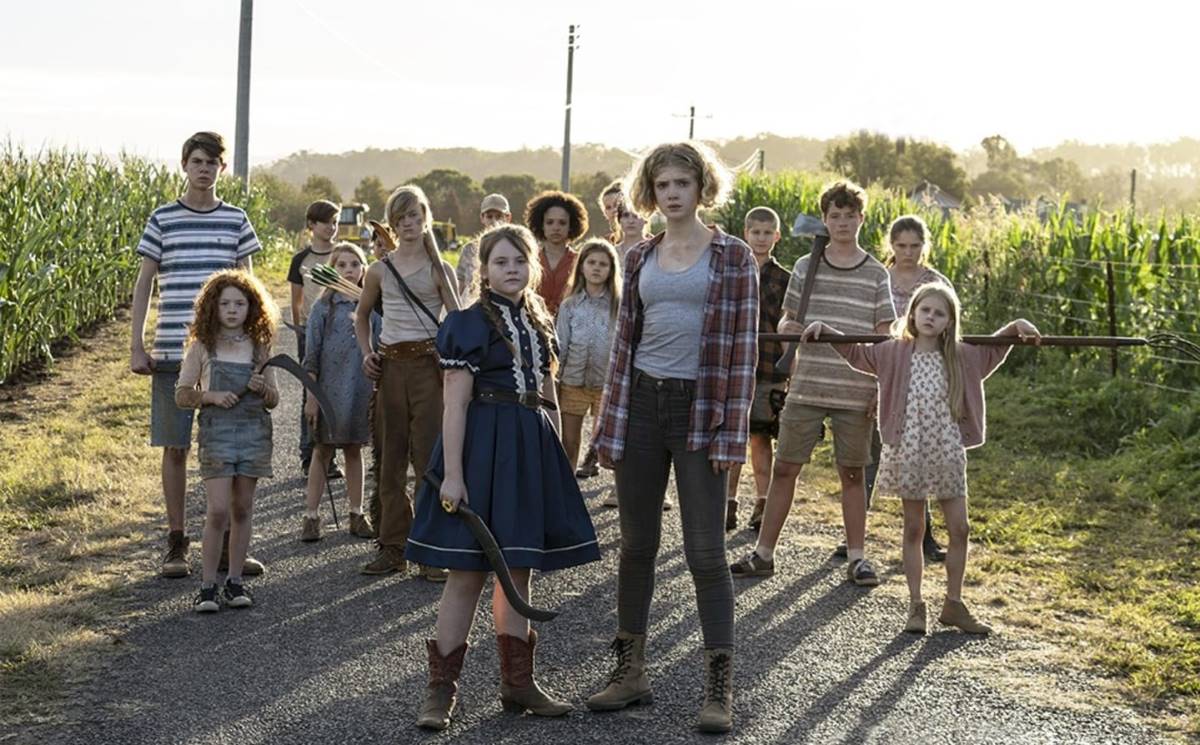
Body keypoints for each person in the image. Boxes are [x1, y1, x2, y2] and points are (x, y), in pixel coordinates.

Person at [589, 142, 757, 734]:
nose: (673, 194)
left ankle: (719, 688)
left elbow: (743, 354)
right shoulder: (638, 257)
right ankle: (630, 672)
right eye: (663, 185)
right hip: (640, 403)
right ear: (650, 192)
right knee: (636, 546)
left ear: (702, 187)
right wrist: (610, 423)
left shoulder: (734, 257)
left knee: (705, 552)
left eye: (683, 183)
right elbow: (623, 346)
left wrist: (730, 434)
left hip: (701, 408)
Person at [407, 224, 600, 731]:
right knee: (467, 572)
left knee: (518, 568)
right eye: (501, 262)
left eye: (519, 261)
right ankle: (440, 691)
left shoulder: (538, 318)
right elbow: (454, 404)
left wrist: (557, 457)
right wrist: (453, 475)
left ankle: (518, 684)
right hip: (481, 448)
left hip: (529, 447)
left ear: (531, 266)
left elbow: (547, 394)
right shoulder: (466, 324)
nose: (511, 269)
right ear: (484, 270)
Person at [803, 283, 1040, 634]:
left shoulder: (962, 356)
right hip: (908, 448)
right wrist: (826, 332)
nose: (931, 317)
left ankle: (954, 603)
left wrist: (1016, 326)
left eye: (939, 313)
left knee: (960, 528)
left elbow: (996, 347)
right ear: (912, 313)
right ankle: (916, 605)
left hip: (946, 448)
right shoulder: (893, 352)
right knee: (914, 527)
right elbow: (856, 353)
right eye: (925, 310)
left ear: (949, 321)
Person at [730, 180, 894, 588]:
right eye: (835, 216)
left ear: (861, 219)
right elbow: (788, 320)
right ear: (824, 219)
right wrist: (791, 328)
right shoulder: (806, 266)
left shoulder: (876, 273)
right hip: (805, 384)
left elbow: (884, 337)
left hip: (855, 388)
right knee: (786, 467)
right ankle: (764, 553)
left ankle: (857, 557)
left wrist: (880, 388)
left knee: (852, 473)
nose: (842, 223)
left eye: (850, 215)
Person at [130, 131, 264, 579]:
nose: (204, 169)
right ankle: (176, 542)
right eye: (197, 161)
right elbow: (145, 284)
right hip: (173, 349)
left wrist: (257, 351)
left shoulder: (236, 220)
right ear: (184, 165)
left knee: (227, 450)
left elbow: (250, 291)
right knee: (175, 447)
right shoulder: (163, 219)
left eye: (212, 163)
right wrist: (137, 344)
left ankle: (227, 545)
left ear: (222, 169)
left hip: (228, 356)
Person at [355, 186, 459, 579]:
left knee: (429, 460)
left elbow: (457, 320)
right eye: (401, 218)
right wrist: (366, 353)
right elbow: (361, 316)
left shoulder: (440, 269)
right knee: (390, 461)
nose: (409, 224)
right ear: (393, 225)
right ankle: (393, 547)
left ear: (425, 218)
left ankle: (431, 552)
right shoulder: (379, 270)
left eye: (415, 215)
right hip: (390, 368)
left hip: (429, 368)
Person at [174, 270, 279, 612]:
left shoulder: (260, 348)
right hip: (217, 433)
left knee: (242, 508)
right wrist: (211, 396)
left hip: (253, 432)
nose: (232, 310)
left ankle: (235, 582)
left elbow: (275, 398)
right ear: (212, 307)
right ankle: (207, 586)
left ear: (252, 308)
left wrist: (263, 389)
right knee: (218, 510)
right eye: (225, 304)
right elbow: (182, 395)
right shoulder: (202, 347)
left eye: (240, 304)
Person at [859, 214, 955, 561]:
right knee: (869, 454)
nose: (908, 252)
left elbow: (949, 329)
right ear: (891, 245)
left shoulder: (935, 282)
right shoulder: (879, 278)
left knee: (918, 455)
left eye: (915, 246)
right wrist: (874, 384)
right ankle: (857, 534)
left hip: (923, 379)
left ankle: (924, 536)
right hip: (881, 369)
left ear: (924, 246)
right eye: (901, 245)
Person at [300, 243, 380, 542]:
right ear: (332, 270)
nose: (349, 270)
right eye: (342, 265)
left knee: (353, 450)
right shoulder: (323, 308)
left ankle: (357, 513)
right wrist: (311, 398)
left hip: (360, 390)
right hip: (328, 393)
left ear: (364, 269)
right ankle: (311, 516)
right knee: (322, 450)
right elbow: (311, 358)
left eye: (355, 264)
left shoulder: (371, 308)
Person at [727, 206, 790, 532]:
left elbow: (788, 326)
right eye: (756, 232)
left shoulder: (785, 279)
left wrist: (788, 370)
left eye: (767, 233)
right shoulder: (734, 271)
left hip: (768, 368)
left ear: (776, 236)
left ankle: (763, 503)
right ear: (746, 234)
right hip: (735, 366)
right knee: (733, 436)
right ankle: (728, 501)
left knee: (761, 439)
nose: (761, 238)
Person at [555, 238, 621, 473]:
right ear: (581, 266)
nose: (596, 268)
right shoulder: (570, 305)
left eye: (603, 264)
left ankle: (620, 488)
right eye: (591, 262)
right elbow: (561, 345)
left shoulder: (619, 306)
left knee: (610, 445)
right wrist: (556, 380)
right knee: (569, 442)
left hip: (607, 384)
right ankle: (567, 487)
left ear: (611, 270)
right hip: (573, 382)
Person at [287, 199, 341, 478]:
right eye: (326, 222)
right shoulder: (301, 260)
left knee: (336, 392)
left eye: (335, 222)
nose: (332, 227)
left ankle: (329, 457)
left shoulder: (342, 255)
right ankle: (309, 456)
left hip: (339, 332)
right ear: (311, 224)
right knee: (311, 393)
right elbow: (296, 301)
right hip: (309, 332)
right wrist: (299, 331)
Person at [524, 190, 588, 315]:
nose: (556, 227)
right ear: (541, 225)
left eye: (562, 223)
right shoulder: (529, 260)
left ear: (571, 226)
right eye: (550, 222)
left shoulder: (581, 262)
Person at [456, 193, 512, 304]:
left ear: (508, 218)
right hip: (473, 306)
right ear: (482, 218)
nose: (494, 221)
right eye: (489, 216)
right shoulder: (470, 250)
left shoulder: (514, 249)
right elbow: (460, 284)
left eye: (499, 216)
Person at [613, 200, 650, 270]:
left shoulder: (654, 250)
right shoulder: (612, 253)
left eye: (636, 216)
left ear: (645, 220)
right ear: (619, 220)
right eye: (626, 215)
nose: (631, 221)